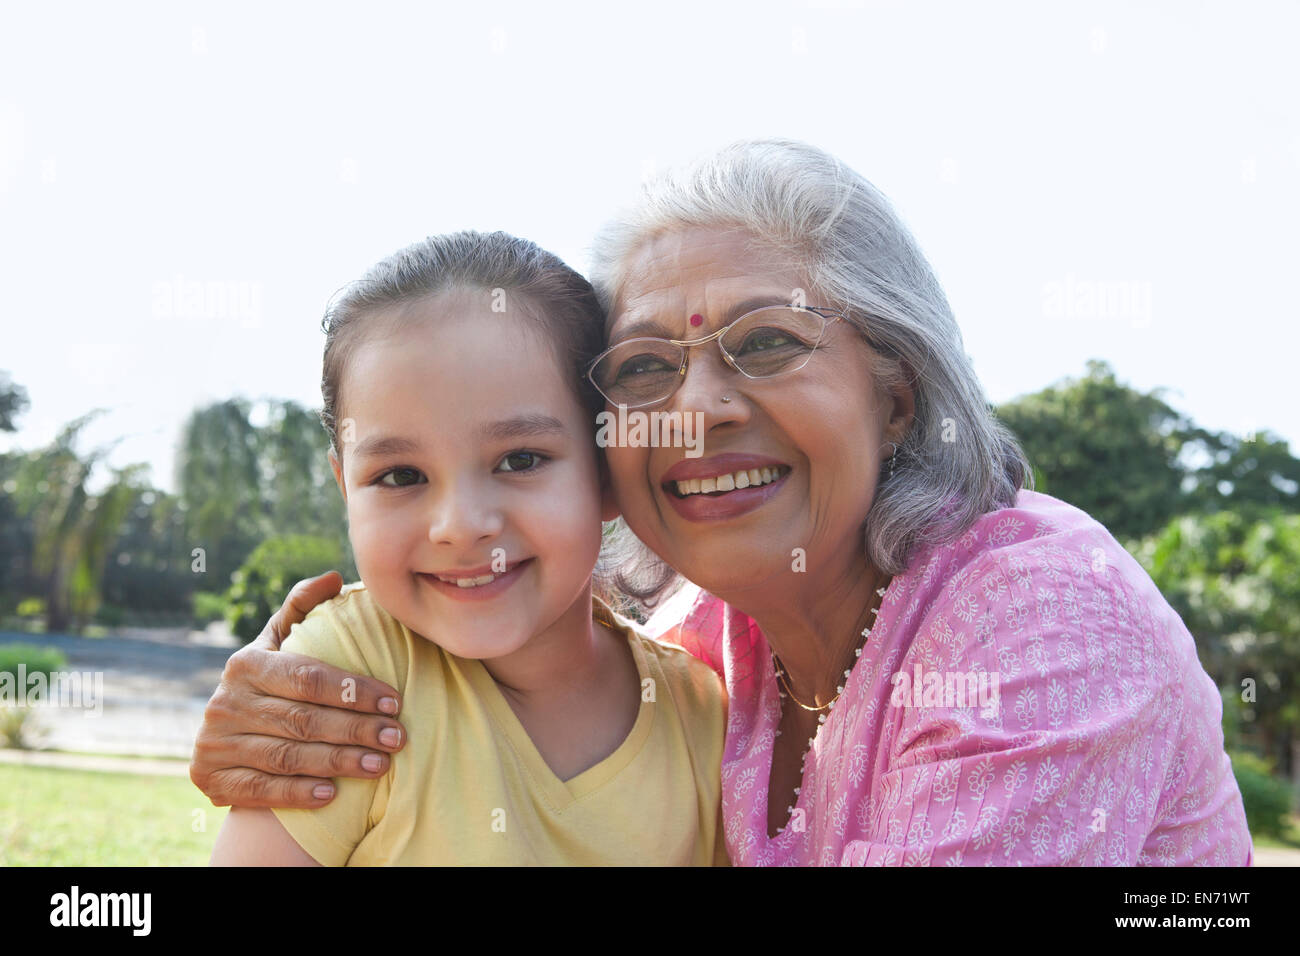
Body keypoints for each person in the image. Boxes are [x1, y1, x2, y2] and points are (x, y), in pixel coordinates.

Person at [193, 140, 1251, 866]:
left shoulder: (1039, 610)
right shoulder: (707, 650)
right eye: (645, 366)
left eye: (767, 343)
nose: (694, 410)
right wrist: (300, 689)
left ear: (895, 391)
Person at [208, 231, 728, 865]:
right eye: (400, 475)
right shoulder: (349, 672)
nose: (459, 526)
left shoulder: (703, 719)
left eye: (520, 459)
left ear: (606, 471)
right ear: (346, 489)